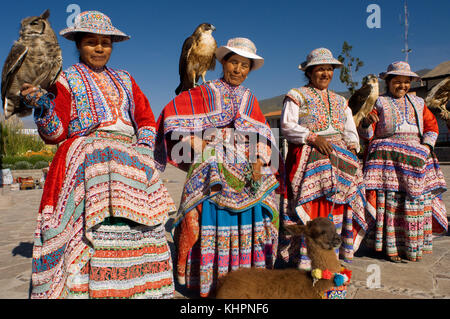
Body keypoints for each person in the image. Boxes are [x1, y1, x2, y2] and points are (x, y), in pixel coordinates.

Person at [23, 11, 176, 298]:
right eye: (91, 42)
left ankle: (138, 287)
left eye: (105, 42)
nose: (99, 48)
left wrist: (143, 152)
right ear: (79, 45)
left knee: (141, 226)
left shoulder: (125, 80)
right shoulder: (66, 79)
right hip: (87, 157)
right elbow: (56, 132)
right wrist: (43, 108)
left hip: (129, 159)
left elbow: (145, 119)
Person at [155, 38, 280, 297]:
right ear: (223, 63)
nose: (238, 70)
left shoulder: (250, 99)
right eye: (233, 62)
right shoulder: (205, 90)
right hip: (212, 160)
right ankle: (210, 280)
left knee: (262, 207)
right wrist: (197, 143)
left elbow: (264, 135)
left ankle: (247, 279)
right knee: (207, 208)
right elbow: (172, 115)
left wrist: (259, 160)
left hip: (247, 166)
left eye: (244, 66)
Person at [279, 48, 369, 270]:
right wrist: (312, 137)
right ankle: (307, 259)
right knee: (313, 204)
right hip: (308, 155)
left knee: (341, 201)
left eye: (329, 69)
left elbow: (349, 130)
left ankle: (332, 255)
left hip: (340, 162)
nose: (326, 73)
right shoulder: (296, 95)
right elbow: (287, 126)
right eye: (321, 69)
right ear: (310, 73)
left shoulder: (341, 101)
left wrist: (352, 148)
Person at [359, 61, 448, 262]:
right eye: (397, 81)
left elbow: (432, 127)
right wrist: (365, 125)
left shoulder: (418, 103)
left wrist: (426, 147)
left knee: (414, 203)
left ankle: (412, 246)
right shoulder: (378, 103)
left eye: (406, 82)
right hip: (387, 162)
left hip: (416, 160)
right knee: (391, 204)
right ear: (388, 82)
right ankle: (390, 248)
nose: (402, 86)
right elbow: (368, 135)